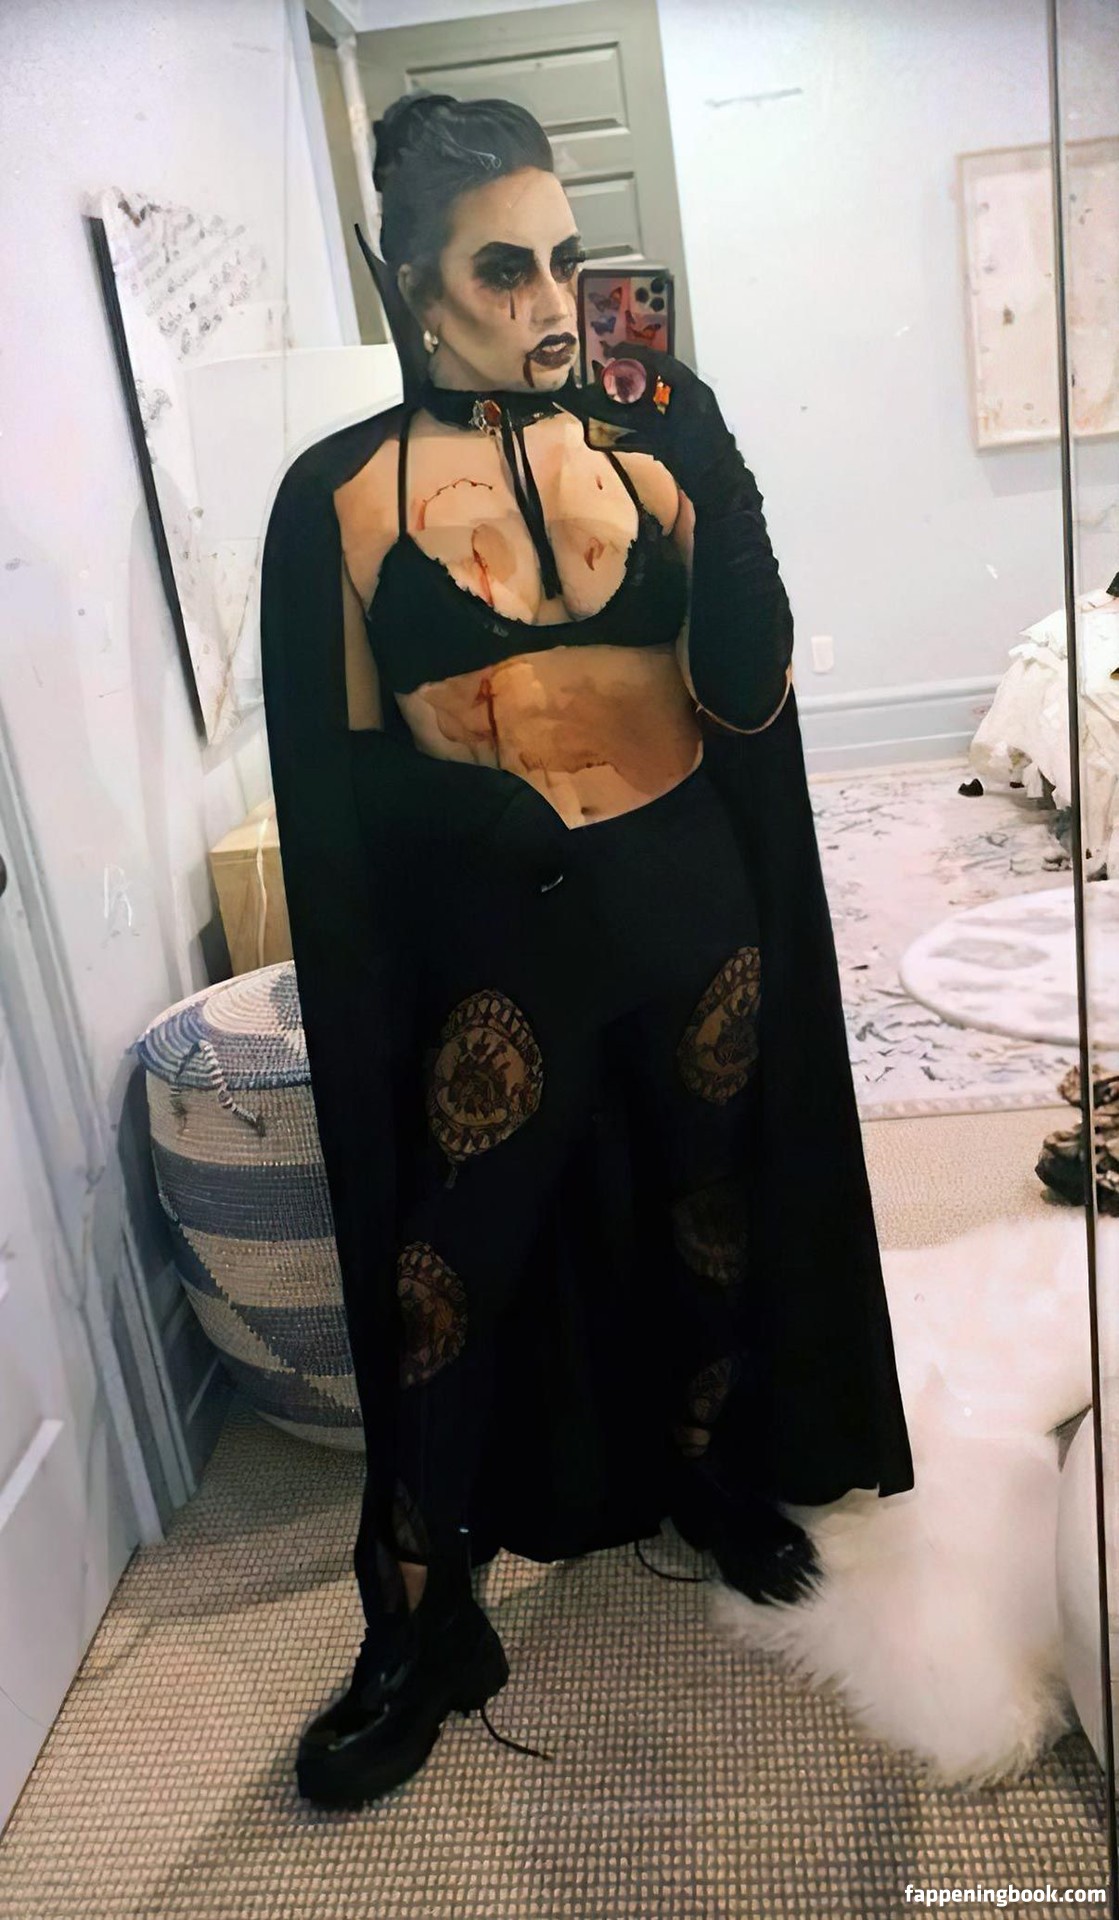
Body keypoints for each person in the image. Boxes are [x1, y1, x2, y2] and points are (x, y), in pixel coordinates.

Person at [259, 91, 914, 1813]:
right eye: (505, 270)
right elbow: (341, 785)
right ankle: (418, 1616)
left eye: (566, 260)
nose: (551, 300)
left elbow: (746, 686)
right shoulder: (339, 497)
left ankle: (701, 1473)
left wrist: (717, 470)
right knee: (443, 1273)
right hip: (512, 935)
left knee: (711, 1207)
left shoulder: (650, 431)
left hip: (692, 895)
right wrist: (471, 817)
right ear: (413, 285)